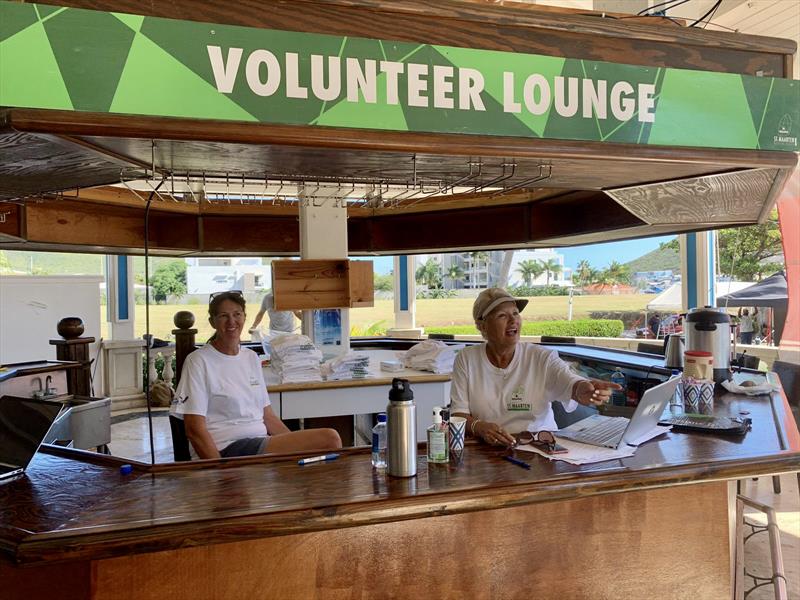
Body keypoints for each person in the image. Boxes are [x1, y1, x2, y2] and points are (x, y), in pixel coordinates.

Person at [171, 291, 341, 459]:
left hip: (259, 443)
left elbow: (268, 416)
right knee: (330, 439)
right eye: (224, 316)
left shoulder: (251, 358)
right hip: (226, 448)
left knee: (319, 453)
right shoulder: (199, 361)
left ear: (244, 317)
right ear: (212, 321)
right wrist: (219, 471)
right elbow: (194, 429)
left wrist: (294, 447)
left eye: (237, 314)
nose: (231, 321)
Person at [450, 288, 621, 446]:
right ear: (482, 326)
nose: (513, 321)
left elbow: (569, 381)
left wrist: (583, 388)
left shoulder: (542, 357)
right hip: (488, 449)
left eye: (515, 313)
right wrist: (480, 427)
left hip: (540, 446)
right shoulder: (466, 359)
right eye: (502, 315)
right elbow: (458, 414)